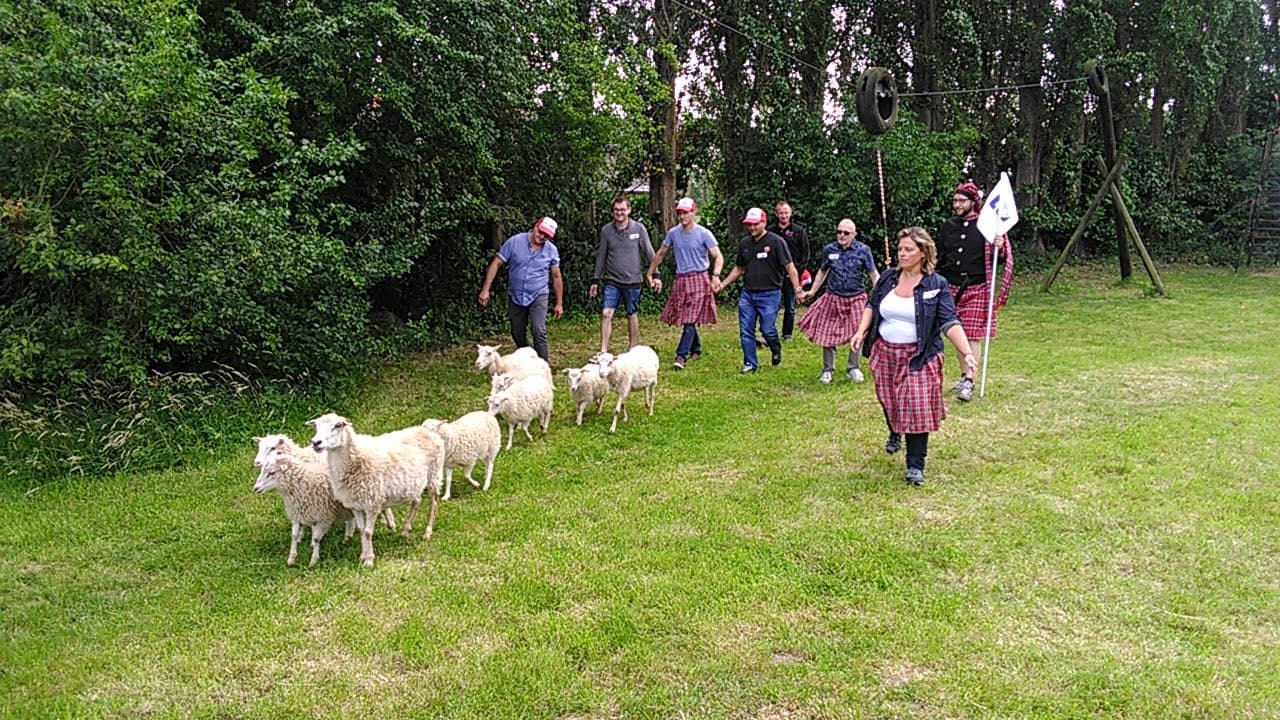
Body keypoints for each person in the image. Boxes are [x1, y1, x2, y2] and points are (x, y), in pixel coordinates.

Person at [852, 227, 978, 486]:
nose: (902, 253)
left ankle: (915, 464)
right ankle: (895, 429)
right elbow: (872, 305)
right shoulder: (888, 278)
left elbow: (949, 321)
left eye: (908, 249)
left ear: (923, 253)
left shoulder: (936, 284)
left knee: (916, 406)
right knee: (891, 401)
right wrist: (861, 331)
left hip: (921, 355)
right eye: (900, 249)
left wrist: (966, 353)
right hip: (885, 353)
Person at [936, 181, 1014, 401]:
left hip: (977, 285)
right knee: (957, 333)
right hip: (951, 286)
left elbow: (1000, 258)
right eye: (955, 200)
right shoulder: (948, 226)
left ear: (973, 202)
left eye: (962, 201)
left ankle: (970, 380)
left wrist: (999, 246)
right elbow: (941, 256)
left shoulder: (987, 224)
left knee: (972, 334)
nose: (957, 205)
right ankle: (964, 377)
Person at [716, 207, 803, 374]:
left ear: (764, 222)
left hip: (770, 293)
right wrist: (722, 285)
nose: (752, 227)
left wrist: (797, 290)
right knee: (746, 330)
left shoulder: (776, 242)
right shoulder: (745, 244)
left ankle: (776, 348)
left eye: (755, 224)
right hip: (748, 294)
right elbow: (739, 268)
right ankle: (750, 363)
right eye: (749, 224)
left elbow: (790, 268)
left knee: (767, 329)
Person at [797, 219, 880, 384]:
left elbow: (873, 274)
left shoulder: (863, 250)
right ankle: (827, 369)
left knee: (858, 331)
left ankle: (853, 368)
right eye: (839, 232)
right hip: (833, 297)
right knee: (827, 331)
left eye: (846, 233)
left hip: (856, 297)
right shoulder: (829, 249)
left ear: (854, 234)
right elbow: (822, 272)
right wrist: (812, 291)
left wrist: (881, 293)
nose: (841, 235)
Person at [647, 196, 723, 369]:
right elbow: (661, 253)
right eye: (680, 213)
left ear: (693, 212)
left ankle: (681, 355)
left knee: (689, 319)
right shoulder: (673, 233)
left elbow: (718, 256)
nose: (682, 217)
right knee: (687, 317)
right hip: (681, 279)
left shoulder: (704, 233)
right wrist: (650, 272)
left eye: (685, 213)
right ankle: (696, 348)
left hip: (699, 278)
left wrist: (716, 276)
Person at [478, 216, 565, 362]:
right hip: (516, 294)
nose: (541, 237)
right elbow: (496, 263)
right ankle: (529, 357)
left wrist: (559, 303)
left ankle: (543, 365)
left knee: (538, 330)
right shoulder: (515, 241)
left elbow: (556, 276)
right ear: (536, 226)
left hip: (538, 294)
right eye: (540, 232)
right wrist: (485, 289)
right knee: (517, 332)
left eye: (546, 236)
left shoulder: (551, 250)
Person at [590, 195, 659, 353]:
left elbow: (649, 253)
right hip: (612, 280)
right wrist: (595, 279)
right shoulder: (606, 231)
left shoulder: (639, 228)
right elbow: (601, 256)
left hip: (633, 280)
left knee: (632, 314)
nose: (619, 213)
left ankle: (632, 349)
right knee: (606, 313)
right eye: (616, 210)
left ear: (629, 210)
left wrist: (656, 275)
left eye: (622, 209)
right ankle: (603, 351)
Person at [767, 201, 811, 341]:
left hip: (792, 275)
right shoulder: (770, 231)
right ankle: (769, 332)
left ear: (791, 213)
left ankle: (787, 334)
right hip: (774, 275)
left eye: (786, 213)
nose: (784, 215)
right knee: (771, 305)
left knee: (790, 306)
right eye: (781, 213)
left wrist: (798, 272)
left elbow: (805, 253)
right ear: (776, 214)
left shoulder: (798, 231)